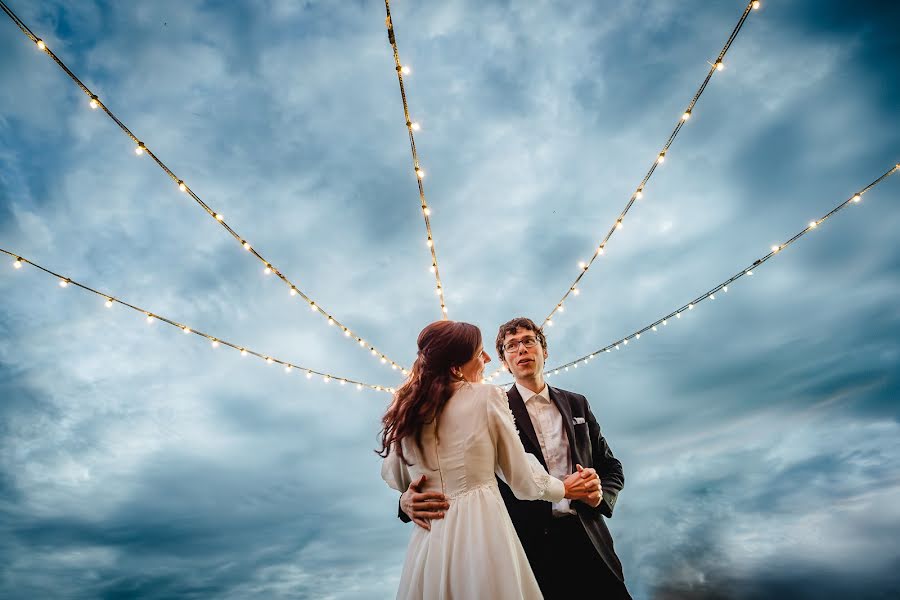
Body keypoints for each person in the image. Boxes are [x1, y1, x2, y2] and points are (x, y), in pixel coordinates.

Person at [401, 317, 632, 600]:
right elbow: (438, 466)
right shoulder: (486, 403)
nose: (521, 349)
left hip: (589, 539)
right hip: (525, 549)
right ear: (504, 360)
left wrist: (599, 495)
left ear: (544, 351)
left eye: (528, 341)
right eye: (511, 346)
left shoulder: (577, 403)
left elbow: (611, 467)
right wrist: (404, 502)